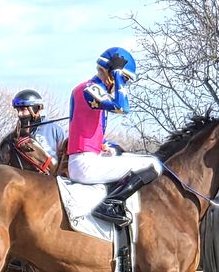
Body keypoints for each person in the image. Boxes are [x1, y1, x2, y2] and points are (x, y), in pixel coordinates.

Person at [67, 46, 162, 226]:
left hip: (88, 159)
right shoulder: (89, 88)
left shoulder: (94, 91)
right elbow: (122, 107)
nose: (124, 84)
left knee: (134, 157)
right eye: (125, 79)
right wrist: (118, 74)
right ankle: (109, 203)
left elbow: (91, 133)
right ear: (110, 73)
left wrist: (107, 146)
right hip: (84, 164)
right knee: (152, 164)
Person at [12, 89, 66, 165]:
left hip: (51, 171)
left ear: (35, 108)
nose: (19, 114)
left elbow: (66, 156)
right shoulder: (17, 135)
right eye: (18, 110)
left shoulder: (54, 130)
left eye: (23, 110)